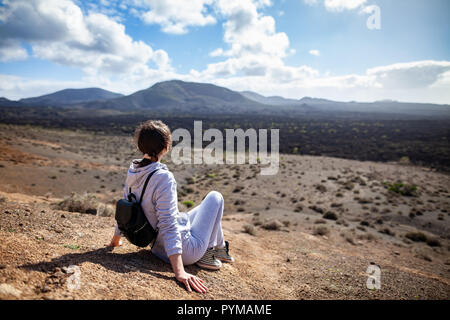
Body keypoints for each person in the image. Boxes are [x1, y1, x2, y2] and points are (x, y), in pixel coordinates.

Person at [106, 120, 234, 294]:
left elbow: (126, 205)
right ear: (167, 146)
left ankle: (218, 249)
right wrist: (180, 272)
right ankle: (211, 253)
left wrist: (116, 240)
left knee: (194, 213)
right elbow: (168, 223)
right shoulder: (163, 177)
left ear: (140, 145)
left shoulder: (134, 170)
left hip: (157, 248)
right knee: (215, 197)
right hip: (186, 251)